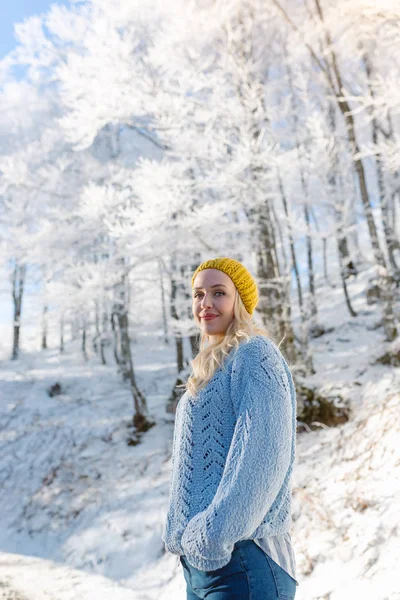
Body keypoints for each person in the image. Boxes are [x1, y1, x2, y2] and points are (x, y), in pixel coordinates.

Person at [162, 257, 298, 599]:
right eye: (198, 294)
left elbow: (264, 455)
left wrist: (215, 533)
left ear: (240, 300)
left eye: (218, 293)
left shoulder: (255, 355)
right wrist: (183, 535)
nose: (205, 303)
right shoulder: (212, 368)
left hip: (245, 560)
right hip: (202, 566)